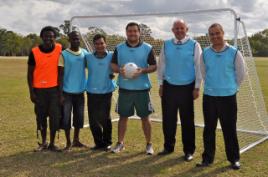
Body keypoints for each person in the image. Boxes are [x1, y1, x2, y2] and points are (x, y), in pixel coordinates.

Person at [196, 23, 245, 170]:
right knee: (209, 129)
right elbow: (203, 73)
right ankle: (207, 159)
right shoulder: (205, 53)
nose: (215, 36)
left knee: (229, 129)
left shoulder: (234, 52)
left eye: (217, 33)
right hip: (210, 97)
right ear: (209, 36)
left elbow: (241, 74)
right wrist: (212, 86)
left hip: (228, 97)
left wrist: (231, 88)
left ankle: (234, 159)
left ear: (223, 33)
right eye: (212, 34)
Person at [157, 19, 202, 161]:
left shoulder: (195, 45)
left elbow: (199, 67)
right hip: (169, 87)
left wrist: (197, 87)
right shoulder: (166, 44)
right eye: (176, 28)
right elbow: (161, 65)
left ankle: (189, 150)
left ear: (186, 29)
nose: (179, 30)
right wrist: (161, 84)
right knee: (168, 119)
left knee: (187, 120)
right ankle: (168, 147)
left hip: (187, 87)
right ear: (172, 30)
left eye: (181, 28)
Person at [111, 22, 157, 155]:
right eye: (129, 31)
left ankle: (149, 144)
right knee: (123, 117)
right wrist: (120, 70)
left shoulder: (147, 48)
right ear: (126, 33)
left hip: (142, 89)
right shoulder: (119, 48)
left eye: (134, 31)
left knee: (145, 117)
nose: (132, 33)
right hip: (125, 88)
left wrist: (142, 70)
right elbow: (113, 64)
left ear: (139, 32)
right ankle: (120, 143)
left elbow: (154, 66)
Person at [27, 26, 62, 152]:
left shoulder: (59, 49)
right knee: (41, 117)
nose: (48, 38)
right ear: (42, 37)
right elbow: (30, 74)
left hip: (54, 90)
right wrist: (31, 92)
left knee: (54, 117)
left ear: (54, 38)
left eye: (51, 36)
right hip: (39, 91)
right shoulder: (34, 52)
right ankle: (43, 143)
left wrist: (61, 92)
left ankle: (52, 143)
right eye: (46, 36)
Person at [86, 34, 116, 151]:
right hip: (91, 92)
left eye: (101, 43)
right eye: (97, 44)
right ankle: (98, 143)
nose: (99, 46)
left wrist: (113, 76)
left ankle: (107, 142)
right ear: (94, 45)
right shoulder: (88, 57)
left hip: (106, 92)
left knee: (105, 118)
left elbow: (117, 68)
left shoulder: (112, 56)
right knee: (93, 119)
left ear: (105, 44)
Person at [58, 31, 88, 151]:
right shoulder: (63, 54)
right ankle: (68, 142)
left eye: (78, 39)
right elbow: (60, 75)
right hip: (67, 92)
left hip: (80, 92)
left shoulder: (84, 53)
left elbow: (93, 65)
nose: (76, 41)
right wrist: (60, 94)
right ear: (69, 40)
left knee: (79, 118)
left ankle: (76, 140)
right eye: (74, 39)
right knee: (66, 118)